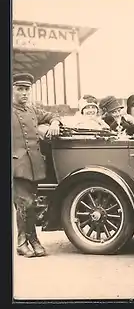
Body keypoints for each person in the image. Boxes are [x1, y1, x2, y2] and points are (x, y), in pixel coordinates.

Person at [12, 73, 61, 257]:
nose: (24, 93)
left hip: (34, 165)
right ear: (12, 90)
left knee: (29, 205)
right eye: (20, 89)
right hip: (17, 165)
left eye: (26, 90)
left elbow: (51, 115)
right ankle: (25, 242)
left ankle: (29, 241)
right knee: (26, 203)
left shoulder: (32, 110)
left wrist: (54, 122)